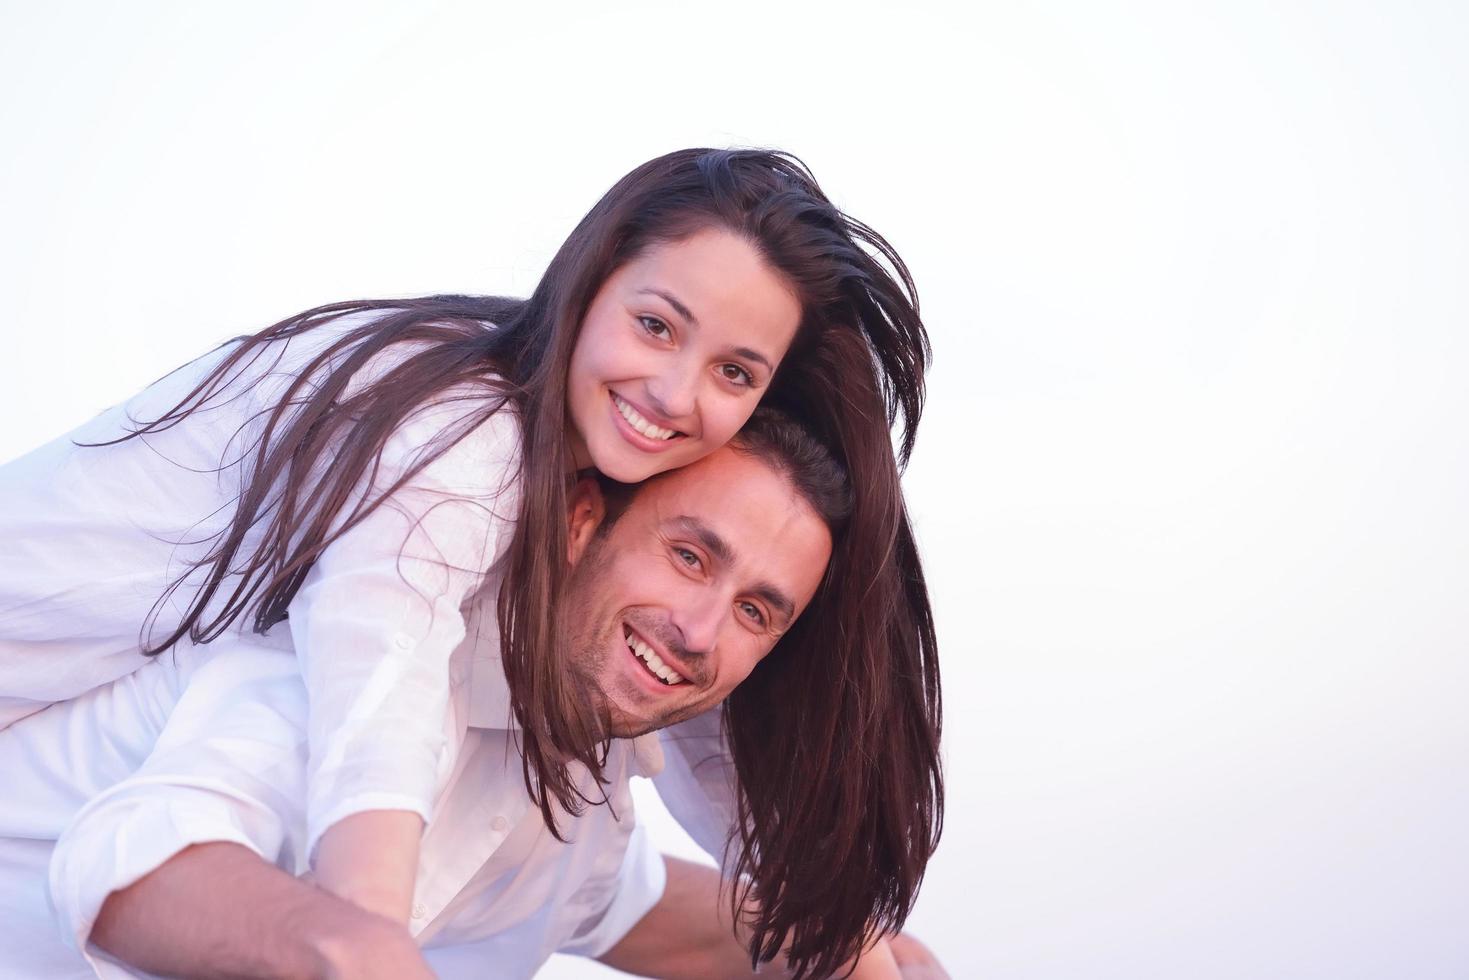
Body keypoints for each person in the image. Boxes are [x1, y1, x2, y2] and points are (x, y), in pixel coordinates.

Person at [0, 147, 940, 975]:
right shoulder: (462, 442)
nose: (673, 390)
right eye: (656, 324)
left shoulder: (569, 751)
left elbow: (706, 756)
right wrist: (359, 942)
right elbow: (377, 692)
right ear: (590, 282)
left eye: (733, 371)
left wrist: (848, 948)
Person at [0, 411, 939, 977]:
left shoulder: (587, 787)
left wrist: (858, 953)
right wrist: (346, 951)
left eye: (754, 612)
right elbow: (124, 857)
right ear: (578, 524)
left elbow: (638, 913)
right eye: (688, 556)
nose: (698, 630)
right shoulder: (373, 666)